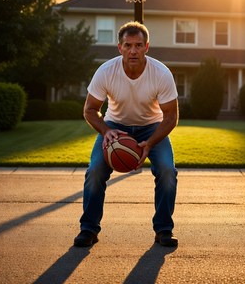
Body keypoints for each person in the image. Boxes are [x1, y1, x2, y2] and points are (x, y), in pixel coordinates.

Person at [74, 21, 179, 247]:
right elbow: (90, 110)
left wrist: (150, 143)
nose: (133, 50)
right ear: (119, 47)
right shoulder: (106, 71)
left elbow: (171, 116)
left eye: (138, 45)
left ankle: (163, 230)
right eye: (128, 45)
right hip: (115, 125)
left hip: (151, 126)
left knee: (167, 172)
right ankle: (88, 229)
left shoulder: (161, 73)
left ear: (147, 47)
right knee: (95, 171)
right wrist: (107, 131)